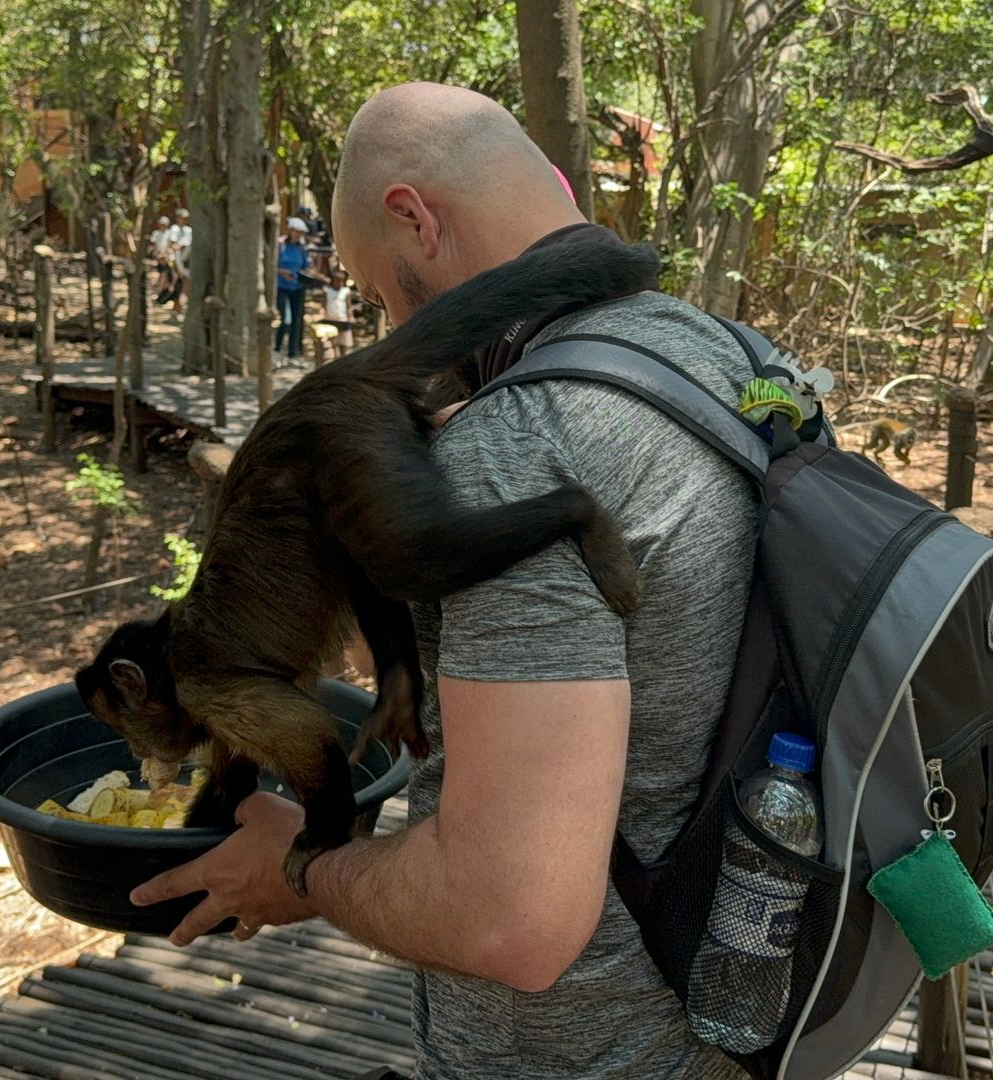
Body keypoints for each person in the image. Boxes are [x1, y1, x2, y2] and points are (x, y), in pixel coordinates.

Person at [130, 82, 756, 1079]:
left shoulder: (525, 447)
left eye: (378, 287)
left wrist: (304, 868)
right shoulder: (716, 351)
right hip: (737, 1007)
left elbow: (511, 923)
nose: (385, 318)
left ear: (414, 221)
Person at [274, 215, 312, 360]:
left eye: (301, 233)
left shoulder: (302, 249)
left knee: (297, 319)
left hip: (298, 288)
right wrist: (281, 272)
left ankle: (293, 351)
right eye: (297, 232)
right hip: (282, 287)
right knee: (284, 318)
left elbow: (306, 267)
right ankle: (277, 348)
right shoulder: (280, 245)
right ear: (291, 231)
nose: (299, 235)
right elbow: (272, 266)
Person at [322, 268, 354, 352]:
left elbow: (348, 306)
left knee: (343, 341)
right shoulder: (327, 290)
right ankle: (335, 356)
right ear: (332, 280)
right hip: (330, 319)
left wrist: (351, 316)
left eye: (342, 281)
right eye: (337, 281)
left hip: (342, 319)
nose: (340, 283)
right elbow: (324, 304)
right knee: (332, 341)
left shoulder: (346, 291)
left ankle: (344, 357)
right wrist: (321, 314)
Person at [168, 208, 192, 311]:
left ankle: (182, 307)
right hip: (176, 259)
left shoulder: (189, 230)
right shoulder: (174, 229)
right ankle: (176, 308)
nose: (184, 220)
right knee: (177, 283)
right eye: (182, 218)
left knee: (186, 283)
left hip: (187, 260)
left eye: (186, 218)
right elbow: (173, 244)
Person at [150, 215, 176, 303]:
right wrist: (158, 256)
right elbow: (154, 246)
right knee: (162, 275)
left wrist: (166, 255)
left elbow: (172, 245)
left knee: (170, 275)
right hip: (159, 258)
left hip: (169, 258)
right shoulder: (156, 233)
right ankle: (160, 293)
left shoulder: (170, 233)